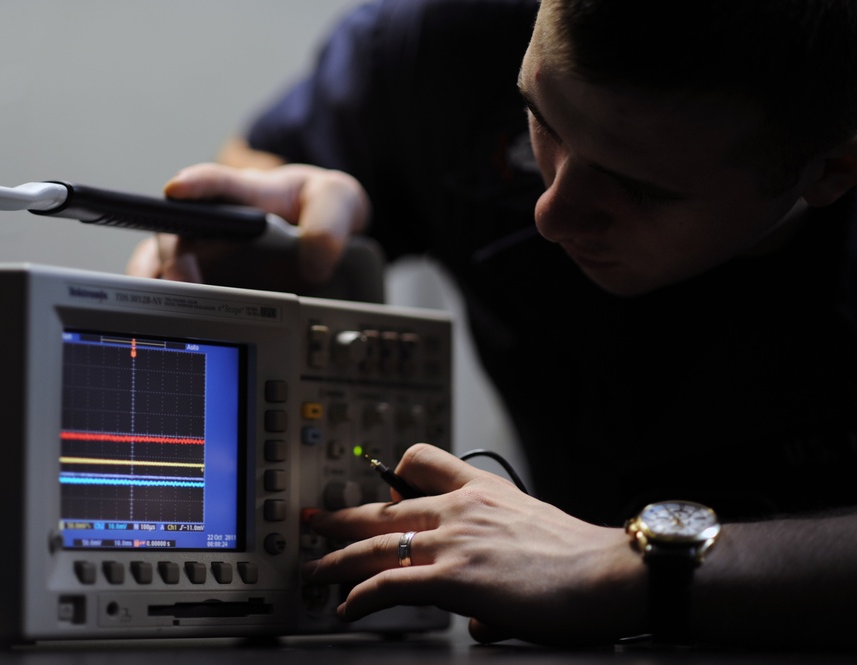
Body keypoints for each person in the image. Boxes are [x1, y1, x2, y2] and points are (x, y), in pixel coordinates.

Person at [128, 0, 857, 648]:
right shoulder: (445, 42)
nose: (553, 213)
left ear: (832, 168)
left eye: (639, 189)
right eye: (539, 119)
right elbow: (261, 165)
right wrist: (286, 237)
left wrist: (624, 565)